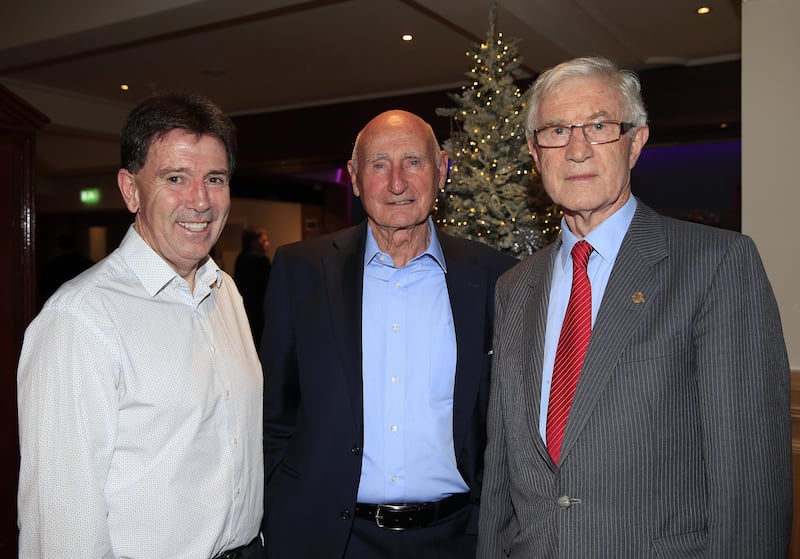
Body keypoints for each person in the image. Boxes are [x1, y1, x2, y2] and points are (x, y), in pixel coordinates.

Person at [478, 56, 792, 558]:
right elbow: (502, 471)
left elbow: (751, 475)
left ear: (635, 143)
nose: (577, 149)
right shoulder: (514, 287)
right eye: (557, 130)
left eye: (599, 126)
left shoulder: (715, 264)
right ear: (537, 155)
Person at [261, 109, 517, 558]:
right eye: (379, 164)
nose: (397, 183)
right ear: (355, 178)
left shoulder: (495, 277)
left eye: (413, 162)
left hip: (457, 539)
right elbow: (273, 416)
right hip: (330, 540)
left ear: (442, 170)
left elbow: (507, 421)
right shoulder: (300, 270)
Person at [17, 93, 264, 559]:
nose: (201, 200)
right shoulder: (79, 319)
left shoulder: (225, 290)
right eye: (175, 178)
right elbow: (60, 524)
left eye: (215, 178)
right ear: (131, 190)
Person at [234, 226, 271, 344]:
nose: (267, 244)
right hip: (261, 313)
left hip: (245, 310)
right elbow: (269, 289)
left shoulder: (240, 258)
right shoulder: (261, 260)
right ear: (253, 242)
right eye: (263, 241)